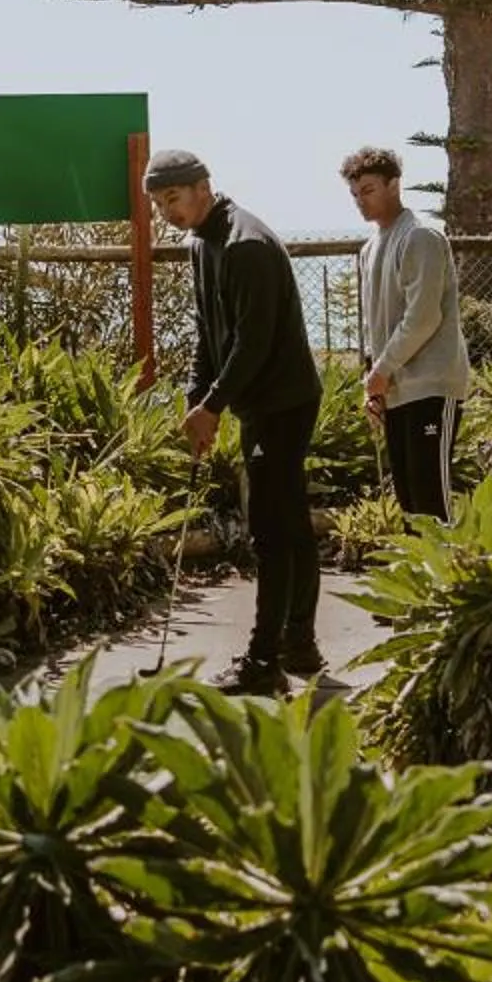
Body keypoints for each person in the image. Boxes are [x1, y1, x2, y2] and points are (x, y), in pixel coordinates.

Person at [144, 148, 323, 695]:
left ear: (203, 186)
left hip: (283, 402)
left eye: (172, 198)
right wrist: (196, 398)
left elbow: (253, 343)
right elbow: (209, 331)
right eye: (158, 203)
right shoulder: (200, 243)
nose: (166, 211)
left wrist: (215, 405)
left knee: (271, 530)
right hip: (257, 400)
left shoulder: (246, 245)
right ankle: (300, 644)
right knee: (288, 521)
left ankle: (263, 662)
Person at [344, 144, 470, 520]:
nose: (360, 201)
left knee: (432, 500)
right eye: (354, 195)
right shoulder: (369, 249)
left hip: (432, 386)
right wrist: (376, 379)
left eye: (368, 191)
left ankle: (455, 579)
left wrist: (381, 370)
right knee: (409, 501)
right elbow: (376, 323)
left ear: (394, 185)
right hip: (395, 390)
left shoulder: (421, 238)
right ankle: (422, 578)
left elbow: (423, 317)